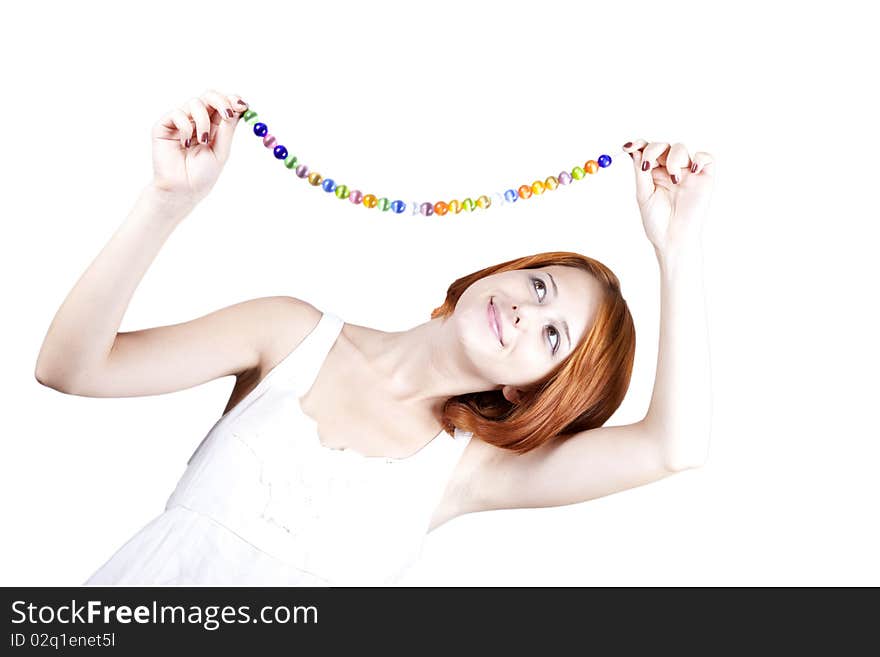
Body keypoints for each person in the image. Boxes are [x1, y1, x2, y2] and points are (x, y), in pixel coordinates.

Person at [34, 89, 715, 586]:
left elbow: (671, 449)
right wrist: (166, 202)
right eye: (540, 287)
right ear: (500, 273)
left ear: (531, 387)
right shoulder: (288, 333)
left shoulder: (471, 471)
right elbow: (69, 367)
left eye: (552, 336)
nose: (525, 313)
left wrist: (676, 249)